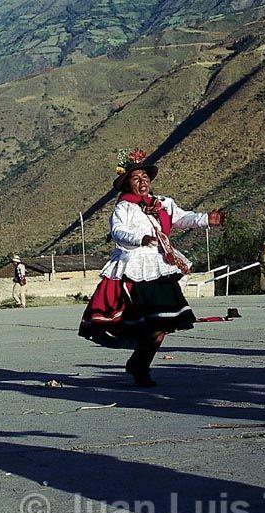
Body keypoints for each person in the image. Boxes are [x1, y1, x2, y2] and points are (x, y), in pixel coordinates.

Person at [78, 149, 225, 387]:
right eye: (136, 178)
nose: (142, 181)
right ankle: (141, 367)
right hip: (135, 268)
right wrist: (141, 239)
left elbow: (182, 218)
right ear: (127, 183)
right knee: (150, 323)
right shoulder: (123, 207)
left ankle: (139, 363)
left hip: (161, 266)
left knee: (165, 321)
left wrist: (206, 219)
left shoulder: (162, 204)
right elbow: (118, 232)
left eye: (145, 176)